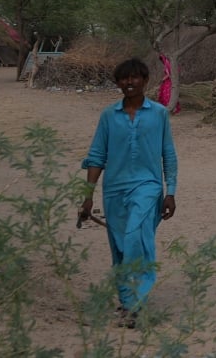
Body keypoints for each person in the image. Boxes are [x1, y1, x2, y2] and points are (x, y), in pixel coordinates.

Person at [79, 58, 178, 328]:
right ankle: (127, 303)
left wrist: (171, 191)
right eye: (124, 79)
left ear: (145, 81)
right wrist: (88, 196)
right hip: (114, 190)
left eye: (135, 78)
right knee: (121, 248)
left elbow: (167, 153)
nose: (129, 83)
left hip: (148, 187)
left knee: (135, 239)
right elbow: (97, 156)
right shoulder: (109, 116)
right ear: (118, 83)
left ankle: (136, 303)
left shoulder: (158, 114)